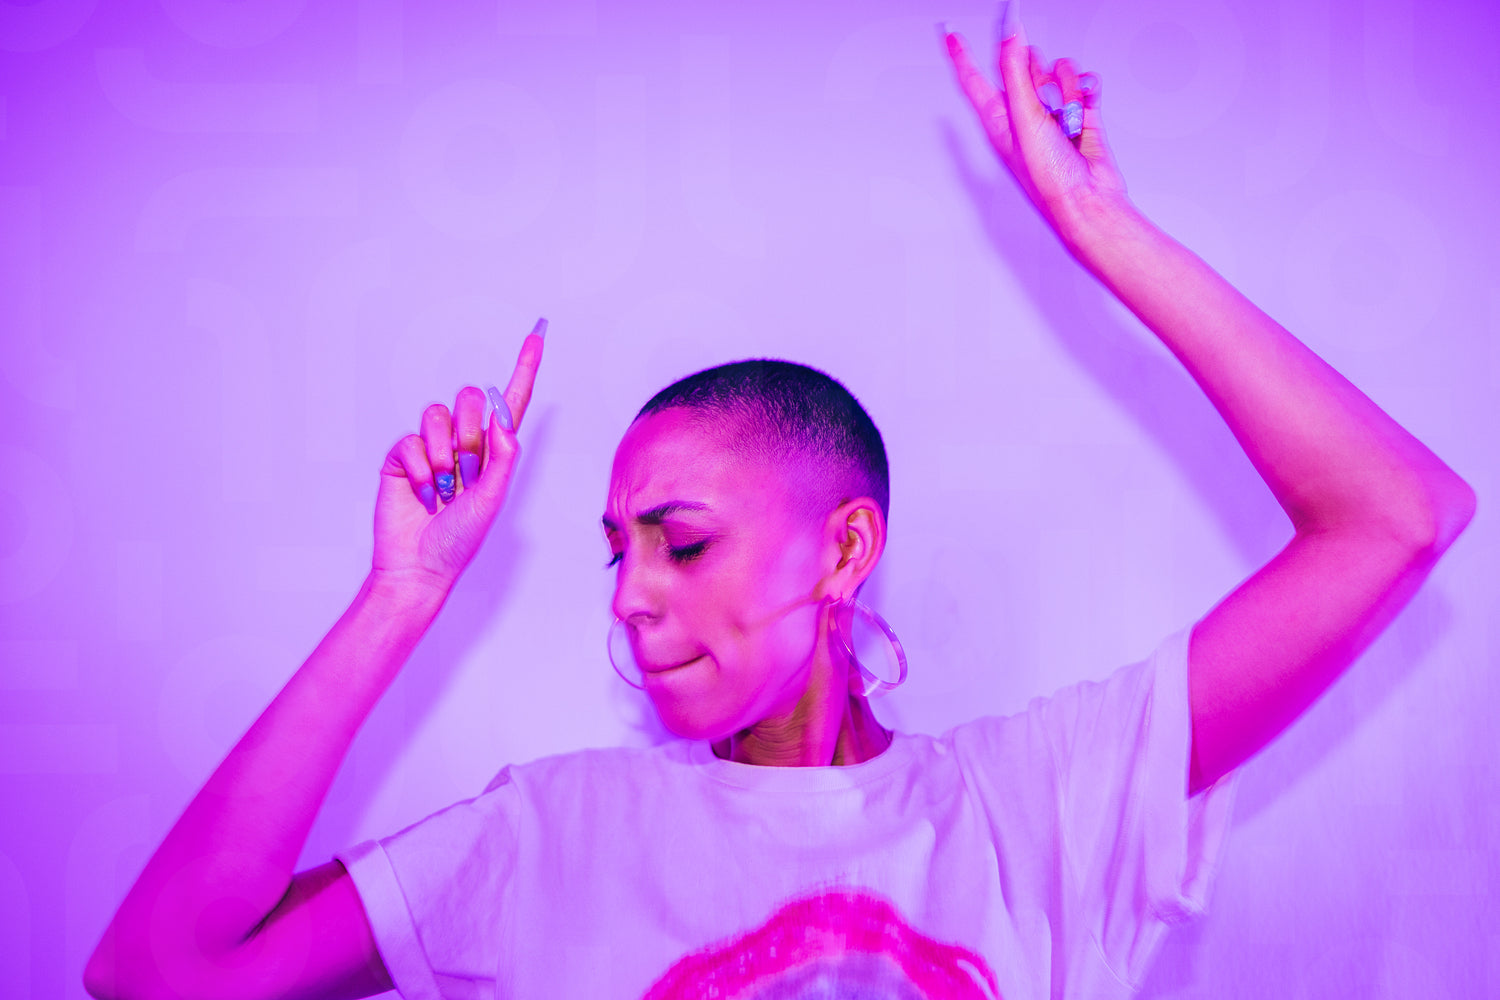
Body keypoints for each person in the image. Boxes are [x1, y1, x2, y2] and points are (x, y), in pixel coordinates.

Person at [83, 3, 1475, 999]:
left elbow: (1398, 518)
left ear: (845, 547)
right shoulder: (541, 838)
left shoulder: (1042, 806)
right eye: (617, 554)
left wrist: (1104, 232)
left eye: (683, 543)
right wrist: (402, 594)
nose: (633, 599)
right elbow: (154, 977)